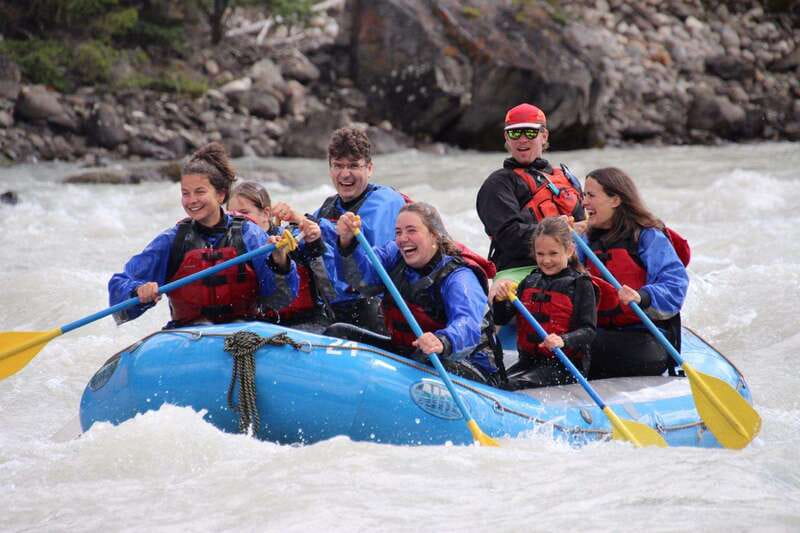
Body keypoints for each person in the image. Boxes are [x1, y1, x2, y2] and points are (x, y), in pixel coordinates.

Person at [108, 142, 298, 328]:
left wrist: (280, 263)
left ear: (220, 195)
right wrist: (137, 291)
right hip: (188, 335)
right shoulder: (172, 241)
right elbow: (120, 286)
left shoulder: (250, 235)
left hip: (243, 332)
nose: (191, 200)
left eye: (199, 192)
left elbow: (281, 299)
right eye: (185, 193)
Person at [334, 202, 500, 384]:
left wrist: (442, 340)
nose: (402, 239)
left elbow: (468, 323)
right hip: (409, 352)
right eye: (398, 232)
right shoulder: (393, 255)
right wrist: (348, 243)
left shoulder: (459, 277)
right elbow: (359, 280)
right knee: (339, 332)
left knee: (424, 357)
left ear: (434, 235)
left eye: (411, 231)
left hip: (466, 365)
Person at [579, 167, 689, 378]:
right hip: (599, 332)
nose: (584, 203)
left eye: (591, 195)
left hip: (646, 338)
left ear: (615, 200)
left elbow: (675, 285)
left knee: (585, 347)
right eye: (584, 195)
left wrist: (642, 296)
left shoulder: (647, 237)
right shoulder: (584, 240)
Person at [312, 127, 408, 332]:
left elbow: (369, 265)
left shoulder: (386, 201)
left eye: (354, 166)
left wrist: (316, 229)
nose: (345, 174)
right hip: (337, 308)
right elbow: (308, 229)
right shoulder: (329, 206)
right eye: (338, 165)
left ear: (369, 168)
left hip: (378, 306)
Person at [476, 103, 586, 282]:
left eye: (530, 132)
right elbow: (509, 236)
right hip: (520, 270)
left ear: (544, 136)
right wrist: (559, 230)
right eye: (514, 133)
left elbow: (584, 226)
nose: (522, 139)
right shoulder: (498, 184)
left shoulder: (566, 177)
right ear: (507, 138)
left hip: (571, 268)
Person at [492, 217, 597, 389]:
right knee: (495, 382)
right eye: (540, 254)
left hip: (564, 366)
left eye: (553, 253)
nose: (546, 260)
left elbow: (589, 331)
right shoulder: (530, 281)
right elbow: (500, 319)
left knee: (510, 385)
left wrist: (563, 340)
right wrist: (500, 300)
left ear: (569, 250)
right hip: (528, 362)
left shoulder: (580, 284)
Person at [227, 181, 330, 327]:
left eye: (244, 213)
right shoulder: (231, 247)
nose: (237, 218)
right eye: (231, 214)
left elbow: (328, 279)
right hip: (259, 325)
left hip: (306, 323)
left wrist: (315, 243)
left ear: (266, 214)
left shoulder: (294, 238)